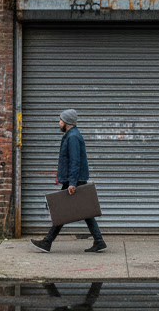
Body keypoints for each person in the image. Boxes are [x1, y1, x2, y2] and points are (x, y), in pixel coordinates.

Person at [30, 108, 108, 253]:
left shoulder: (72, 137)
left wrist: (72, 182)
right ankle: (99, 240)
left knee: (63, 210)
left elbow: (75, 161)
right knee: (85, 212)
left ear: (66, 122)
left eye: (60, 120)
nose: (58, 122)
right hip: (73, 179)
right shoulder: (71, 135)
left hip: (74, 180)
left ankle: (47, 242)